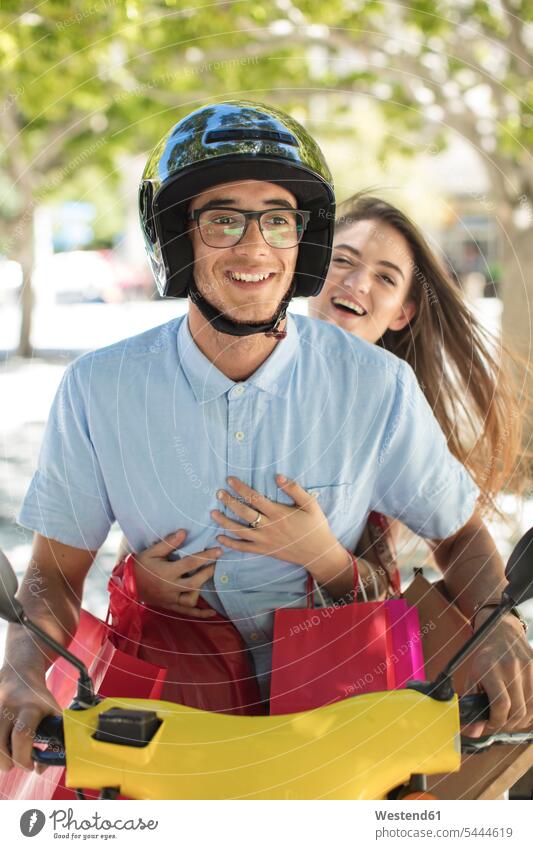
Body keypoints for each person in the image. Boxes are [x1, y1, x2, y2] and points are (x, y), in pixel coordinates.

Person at [0, 102, 527, 777]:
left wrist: (498, 625)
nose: (253, 248)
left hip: (341, 716)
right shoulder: (97, 388)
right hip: (162, 721)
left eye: (277, 220)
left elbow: (457, 537)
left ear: (301, 242)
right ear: (176, 237)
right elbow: (52, 576)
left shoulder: (377, 385)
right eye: (223, 219)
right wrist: (21, 667)